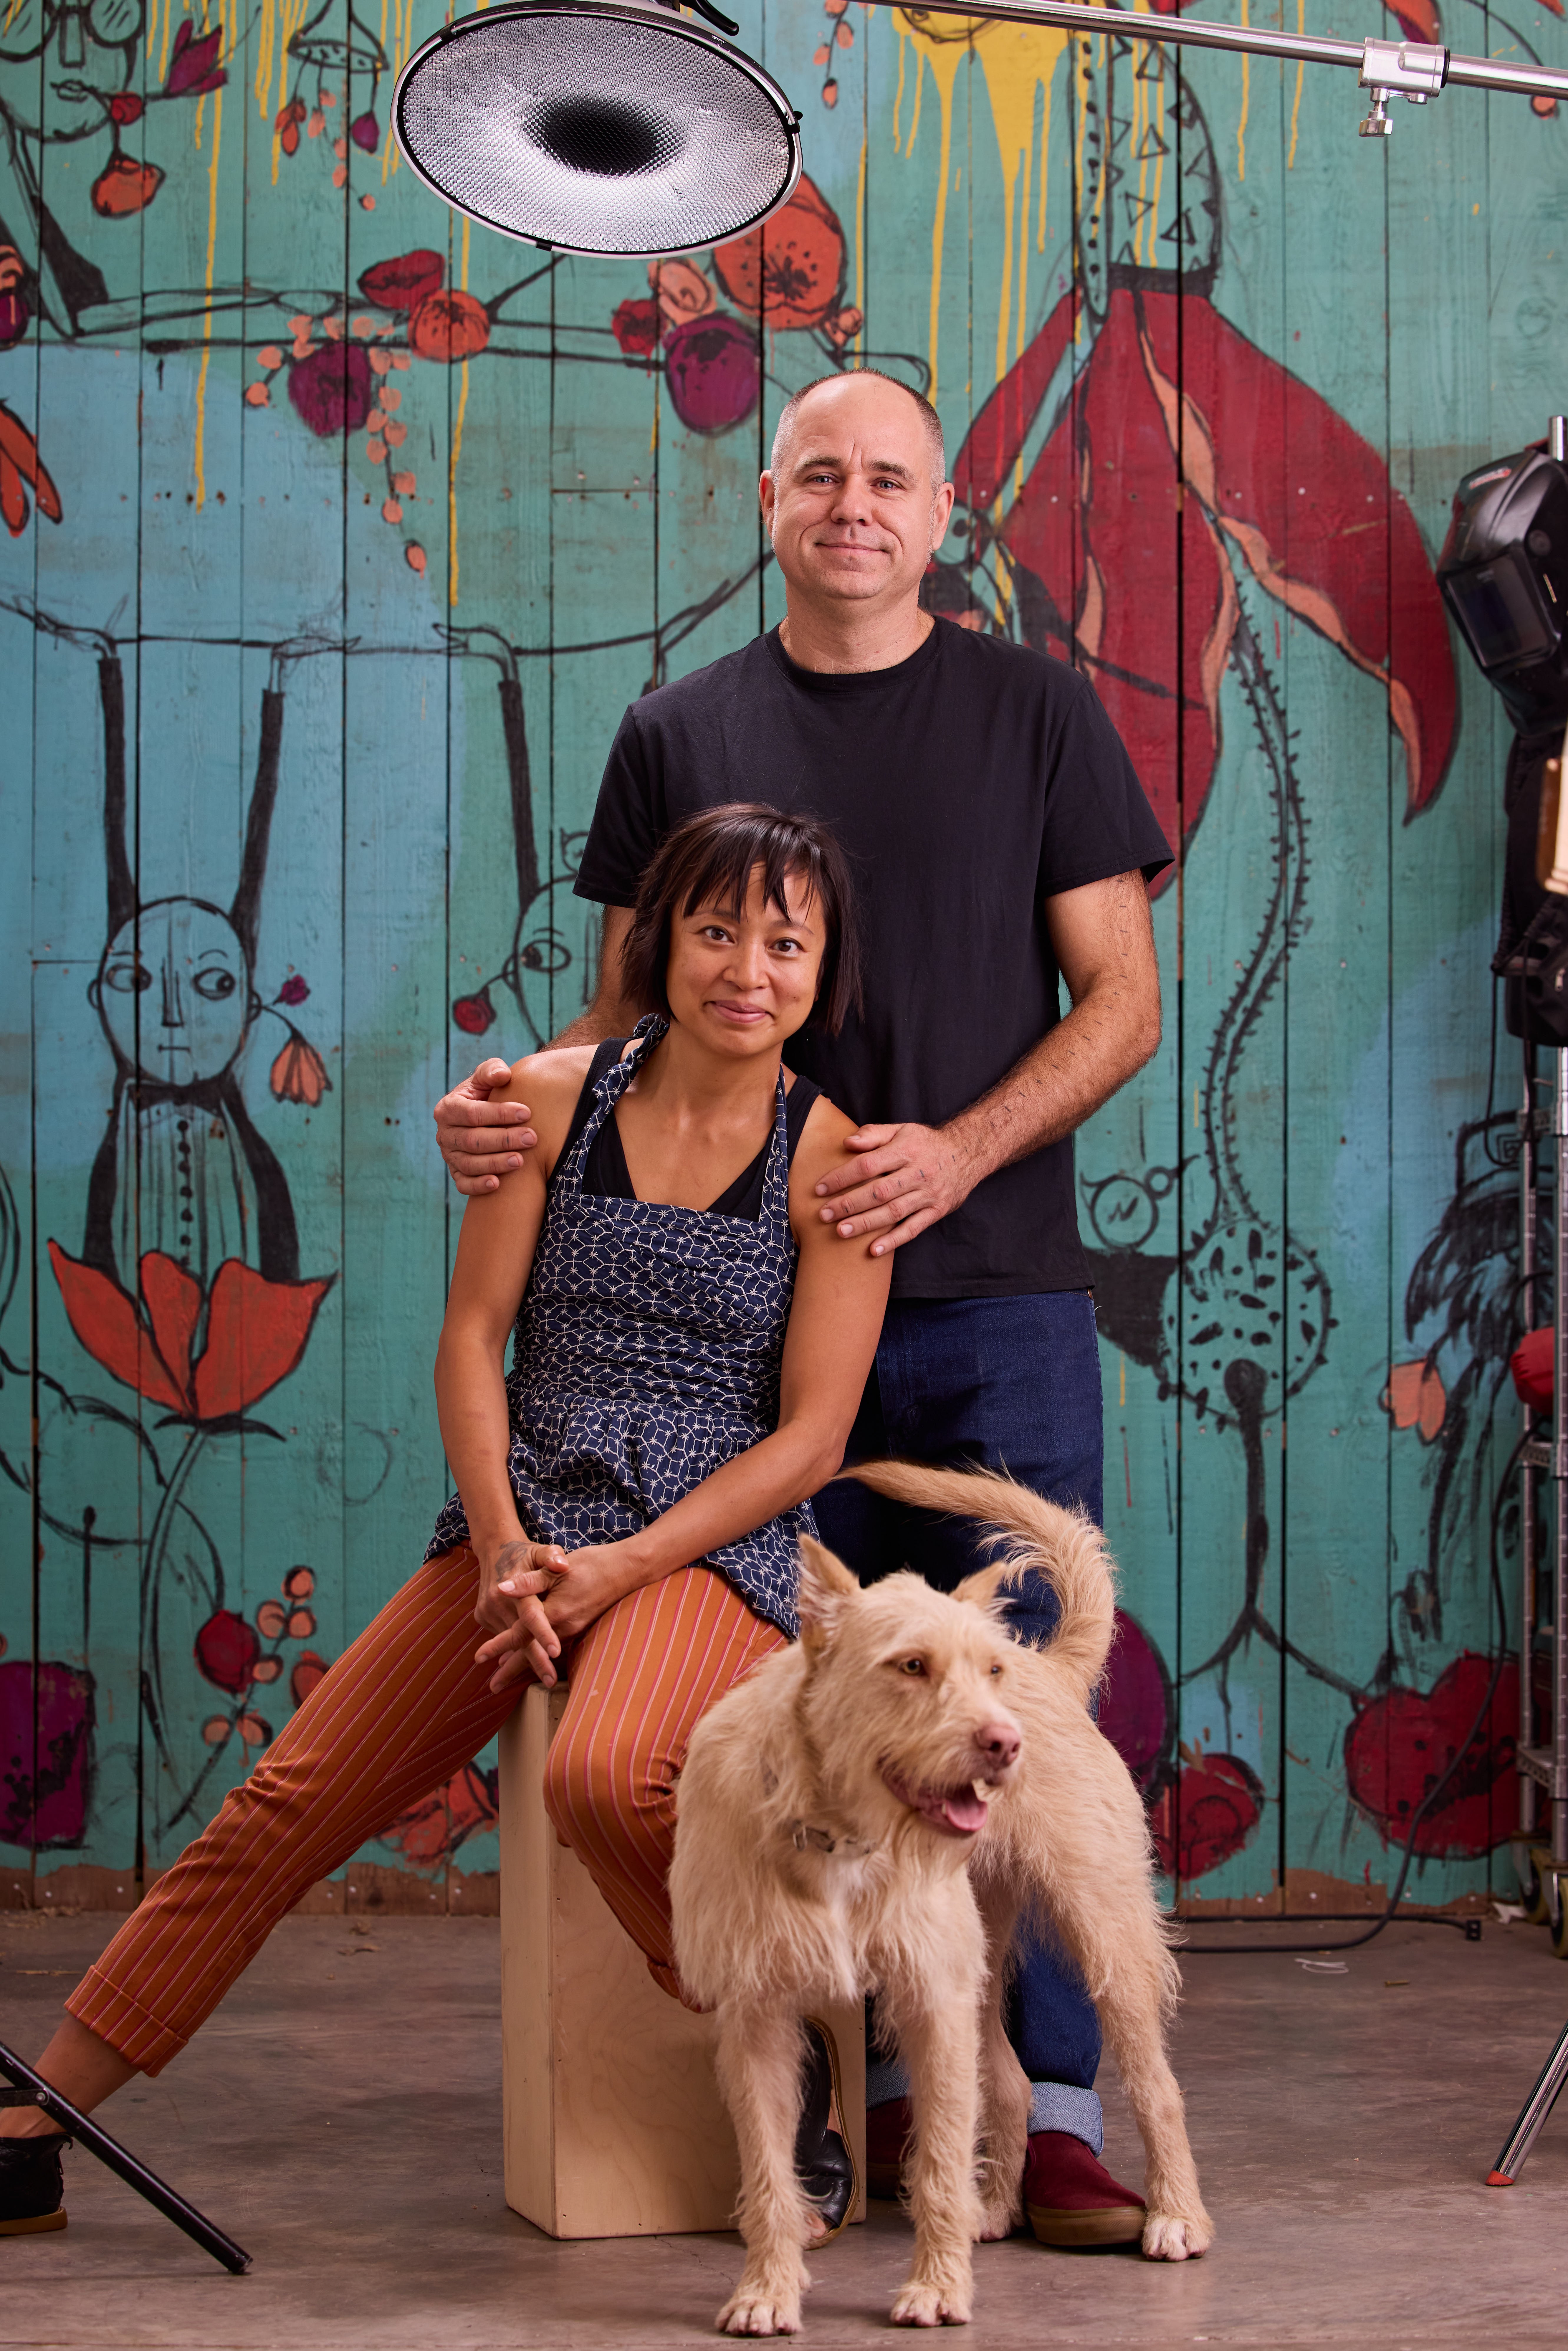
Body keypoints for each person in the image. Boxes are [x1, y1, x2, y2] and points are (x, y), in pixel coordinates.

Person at [434, 367, 1171, 2249]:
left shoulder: (1035, 712)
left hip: (990, 1292)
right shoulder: (675, 729)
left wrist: (958, 1151)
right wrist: (502, 1110)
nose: (855, 505)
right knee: (824, 1721)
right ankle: (887, 2100)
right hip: (751, 1336)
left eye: (890, 479)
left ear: (942, 514)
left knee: (1021, 1711)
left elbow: (1121, 1001)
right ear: (766, 500)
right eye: (819, 474)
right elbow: (620, 1019)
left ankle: (1059, 2120)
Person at [0, 804, 890, 2243]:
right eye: (717, 931)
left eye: (786, 944)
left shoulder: (831, 1160)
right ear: (658, 941)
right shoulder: (544, 1102)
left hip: (704, 1538)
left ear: (824, 968)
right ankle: (37, 2116)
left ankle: (780, 2050)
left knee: (603, 1778)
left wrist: (623, 1564)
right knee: (286, 1800)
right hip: (526, 1515)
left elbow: (811, 1439)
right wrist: (500, 1548)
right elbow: (474, 1338)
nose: (747, 970)